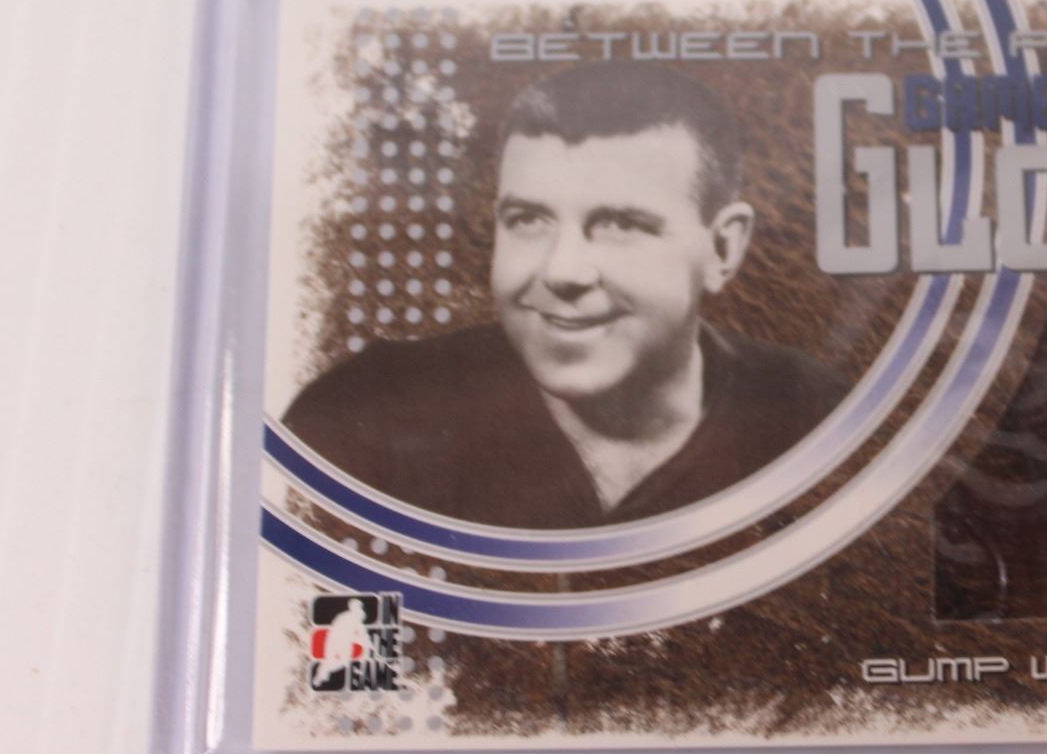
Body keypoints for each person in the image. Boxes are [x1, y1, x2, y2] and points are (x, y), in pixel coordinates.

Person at [283, 63, 848, 528]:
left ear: (723, 248)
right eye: (528, 219)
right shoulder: (361, 418)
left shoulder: (820, 422)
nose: (562, 271)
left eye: (619, 224)